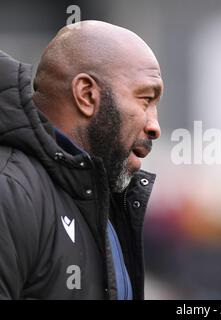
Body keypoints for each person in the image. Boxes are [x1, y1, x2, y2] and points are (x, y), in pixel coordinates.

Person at [0, 20, 163, 299]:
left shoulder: (103, 202)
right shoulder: (11, 190)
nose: (154, 126)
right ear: (87, 95)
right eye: (146, 99)